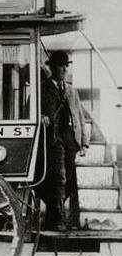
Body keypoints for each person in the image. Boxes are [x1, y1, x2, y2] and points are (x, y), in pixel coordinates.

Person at [39, 50, 89, 231]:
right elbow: (29, 110)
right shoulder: (42, 89)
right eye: (60, 65)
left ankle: (54, 216)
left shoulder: (71, 90)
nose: (64, 69)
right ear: (52, 67)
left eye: (66, 65)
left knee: (68, 177)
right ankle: (58, 220)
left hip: (69, 137)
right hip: (52, 136)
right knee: (58, 177)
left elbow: (80, 117)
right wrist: (40, 116)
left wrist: (83, 143)